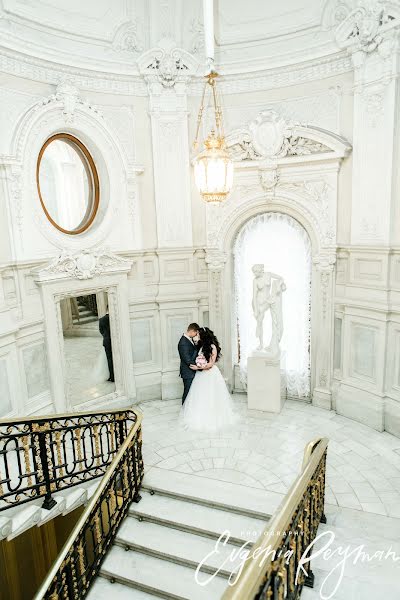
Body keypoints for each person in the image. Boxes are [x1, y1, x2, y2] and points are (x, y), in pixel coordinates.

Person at [181, 327, 238, 432]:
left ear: (204, 336)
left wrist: (199, 367)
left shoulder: (212, 347)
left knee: (211, 395)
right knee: (200, 395)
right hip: (201, 374)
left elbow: (211, 364)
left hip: (210, 374)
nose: (197, 336)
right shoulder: (201, 346)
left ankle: (212, 417)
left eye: (199, 334)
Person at [178, 323, 200, 404]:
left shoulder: (188, 339)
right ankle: (184, 411)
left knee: (191, 392)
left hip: (191, 371)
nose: (196, 335)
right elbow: (188, 360)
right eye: (196, 333)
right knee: (187, 392)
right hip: (188, 372)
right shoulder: (183, 342)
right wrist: (200, 365)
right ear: (192, 331)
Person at [99, 309, 114, 382]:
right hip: (116, 341)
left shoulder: (101, 320)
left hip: (107, 341)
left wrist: (106, 336)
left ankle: (112, 376)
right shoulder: (114, 318)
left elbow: (101, 331)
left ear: (106, 309)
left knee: (109, 359)